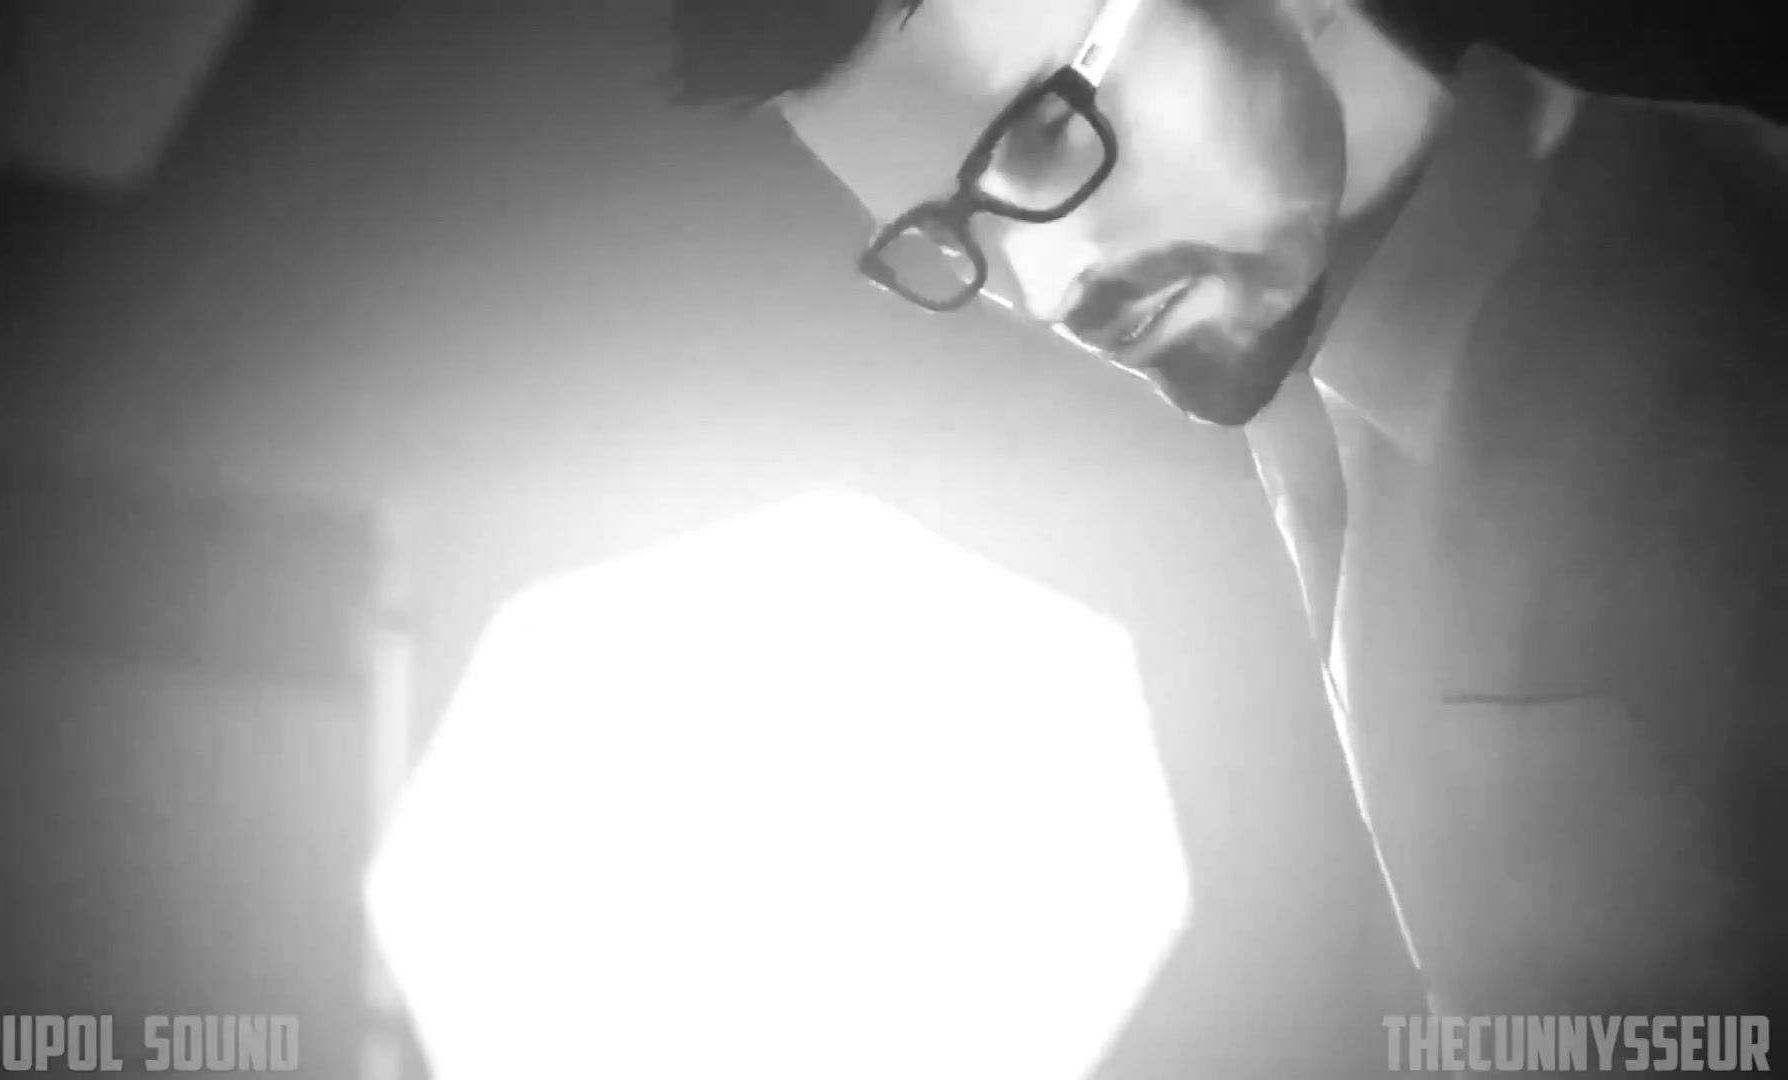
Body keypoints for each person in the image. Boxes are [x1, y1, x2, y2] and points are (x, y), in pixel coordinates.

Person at [666, 0, 1788, 1051]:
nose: (1043, 289)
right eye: (946, 235)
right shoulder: (1315, 412)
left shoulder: (1732, 319)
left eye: (1046, 130)